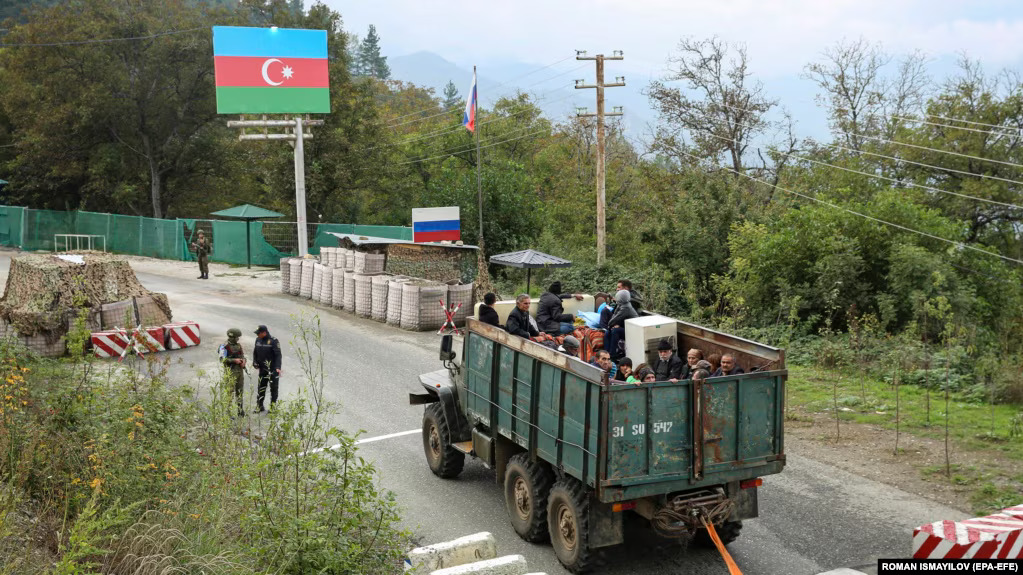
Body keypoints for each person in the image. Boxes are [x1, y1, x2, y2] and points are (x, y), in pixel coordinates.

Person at [252, 324, 282, 413]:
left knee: (273, 388)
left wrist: (277, 367)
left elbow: (278, 355)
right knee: (261, 387)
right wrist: (255, 362)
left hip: (272, 369)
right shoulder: (258, 339)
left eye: (259, 333)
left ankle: (273, 407)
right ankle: (259, 406)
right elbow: (255, 352)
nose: (257, 335)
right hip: (262, 369)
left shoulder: (273, 341)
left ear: (264, 333)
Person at [219, 328, 246, 417]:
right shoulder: (224, 346)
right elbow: (222, 359)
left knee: (240, 391)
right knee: (229, 393)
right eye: (237, 337)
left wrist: (244, 361)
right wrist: (234, 360)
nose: (238, 339)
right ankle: (228, 413)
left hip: (239, 372)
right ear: (232, 337)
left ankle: (240, 410)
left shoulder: (238, 346)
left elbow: (243, 356)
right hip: (230, 372)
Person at [605, 290, 637, 360]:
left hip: (633, 330)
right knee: (608, 332)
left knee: (615, 331)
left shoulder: (626, 307)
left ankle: (613, 355)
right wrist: (611, 325)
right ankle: (606, 353)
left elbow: (616, 318)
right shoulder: (621, 305)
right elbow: (615, 315)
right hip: (625, 326)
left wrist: (610, 325)